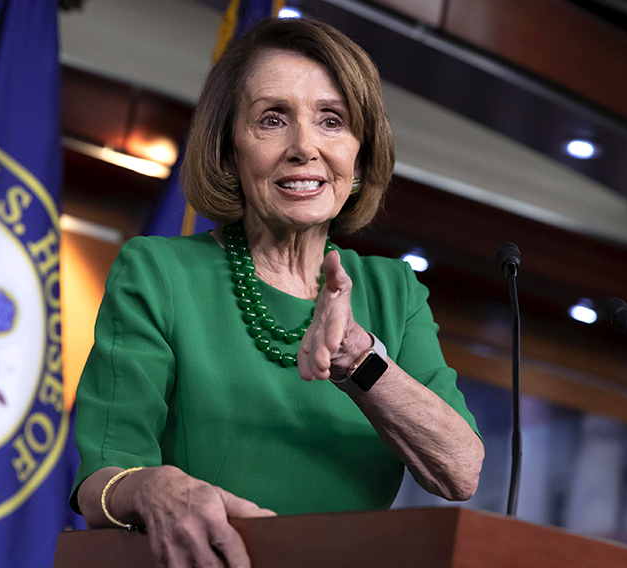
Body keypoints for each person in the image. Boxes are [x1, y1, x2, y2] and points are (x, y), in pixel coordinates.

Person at [70, 17, 484, 568]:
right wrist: (154, 488)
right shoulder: (159, 272)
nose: (304, 147)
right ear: (228, 150)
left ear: (359, 158)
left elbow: (459, 471)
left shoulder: (394, 293)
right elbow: (104, 477)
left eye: (332, 121)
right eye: (272, 119)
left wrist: (357, 359)